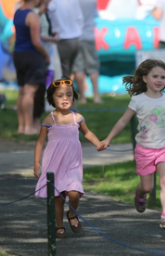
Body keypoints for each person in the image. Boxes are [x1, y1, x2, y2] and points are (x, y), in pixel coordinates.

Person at [101, 59, 165, 230]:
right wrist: (108, 139)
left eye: (163, 77)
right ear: (144, 78)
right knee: (147, 186)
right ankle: (140, 193)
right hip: (144, 150)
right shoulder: (138, 100)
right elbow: (122, 121)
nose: (159, 80)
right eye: (155, 76)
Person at [34, 76, 105, 238]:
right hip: (54, 164)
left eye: (69, 95)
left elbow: (87, 133)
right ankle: (59, 226)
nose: (65, 99)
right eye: (60, 95)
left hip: (72, 163)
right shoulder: (49, 119)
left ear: (74, 97)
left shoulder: (77, 118)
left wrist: (97, 143)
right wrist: (36, 162)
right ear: (52, 98)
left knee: (74, 193)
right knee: (58, 198)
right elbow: (39, 142)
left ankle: (72, 214)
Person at [13, 0, 50, 135]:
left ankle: (21, 126)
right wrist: (46, 55)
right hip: (32, 56)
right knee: (30, 92)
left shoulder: (18, 12)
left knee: (22, 91)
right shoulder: (32, 16)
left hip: (18, 54)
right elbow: (36, 41)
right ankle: (29, 127)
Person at [72, 0, 103, 104]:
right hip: (89, 35)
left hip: (76, 36)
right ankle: (96, 96)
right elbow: (96, 14)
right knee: (93, 66)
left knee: (78, 67)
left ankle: (83, 98)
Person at [47, 0, 84, 77]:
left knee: (63, 72)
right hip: (76, 38)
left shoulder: (52, 3)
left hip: (63, 39)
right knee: (70, 71)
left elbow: (48, 17)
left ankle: (65, 89)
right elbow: (80, 18)